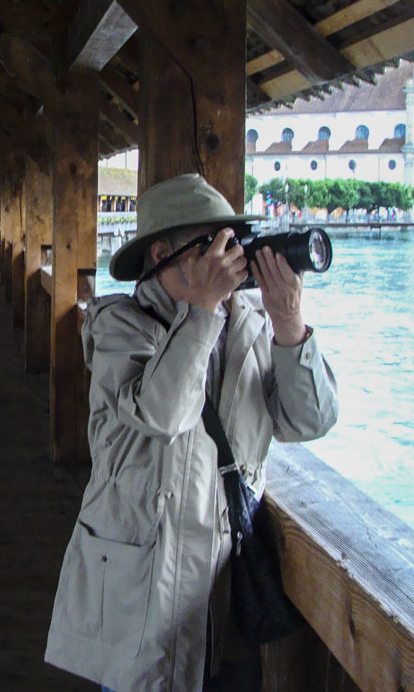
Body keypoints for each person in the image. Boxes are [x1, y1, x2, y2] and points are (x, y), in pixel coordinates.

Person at [44, 174, 339, 692]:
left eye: (233, 242)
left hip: (224, 599)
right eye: (210, 245)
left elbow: (307, 422)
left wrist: (290, 325)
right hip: (141, 600)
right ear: (162, 253)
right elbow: (163, 415)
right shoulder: (119, 327)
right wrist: (202, 309)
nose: (229, 257)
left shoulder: (249, 323)